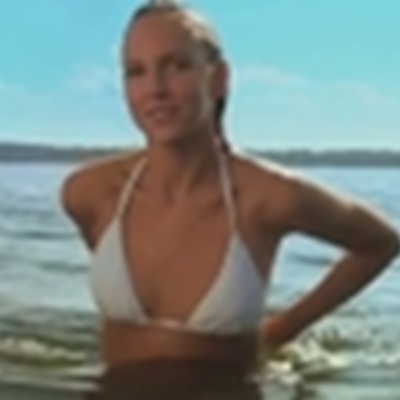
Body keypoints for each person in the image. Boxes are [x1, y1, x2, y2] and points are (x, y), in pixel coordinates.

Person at [61, 1, 400, 399]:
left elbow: (381, 242)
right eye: (136, 71)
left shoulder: (268, 196)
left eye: (177, 66)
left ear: (218, 79)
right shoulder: (90, 194)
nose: (155, 89)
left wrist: (282, 329)